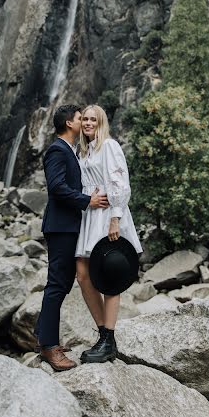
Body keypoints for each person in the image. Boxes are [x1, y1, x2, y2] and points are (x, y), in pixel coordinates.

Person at [35, 104, 109, 371]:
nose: (84, 122)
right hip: (61, 226)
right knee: (57, 285)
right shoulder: (57, 149)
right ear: (69, 123)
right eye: (80, 118)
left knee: (61, 283)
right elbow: (56, 188)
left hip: (67, 226)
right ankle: (49, 347)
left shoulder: (71, 151)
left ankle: (41, 335)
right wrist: (87, 201)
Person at [76, 104, 142, 363]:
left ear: (101, 123)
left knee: (110, 272)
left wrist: (115, 217)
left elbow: (120, 182)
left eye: (94, 119)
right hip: (90, 214)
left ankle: (108, 339)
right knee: (83, 275)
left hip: (107, 215)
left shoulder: (109, 146)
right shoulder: (84, 150)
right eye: (85, 119)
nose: (89, 123)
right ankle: (104, 333)